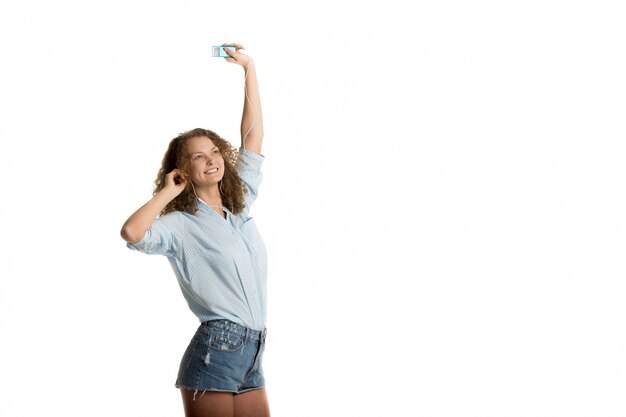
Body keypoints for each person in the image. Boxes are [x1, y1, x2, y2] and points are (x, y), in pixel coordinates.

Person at [120, 43, 270, 417]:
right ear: (183, 168)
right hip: (217, 347)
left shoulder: (239, 207)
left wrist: (249, 70)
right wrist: (168, 191)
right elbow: (132, 233)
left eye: (215, 151)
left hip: (254, 347)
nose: (211, 159)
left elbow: (252, 139)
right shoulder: (179, 226)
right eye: (198, 156)